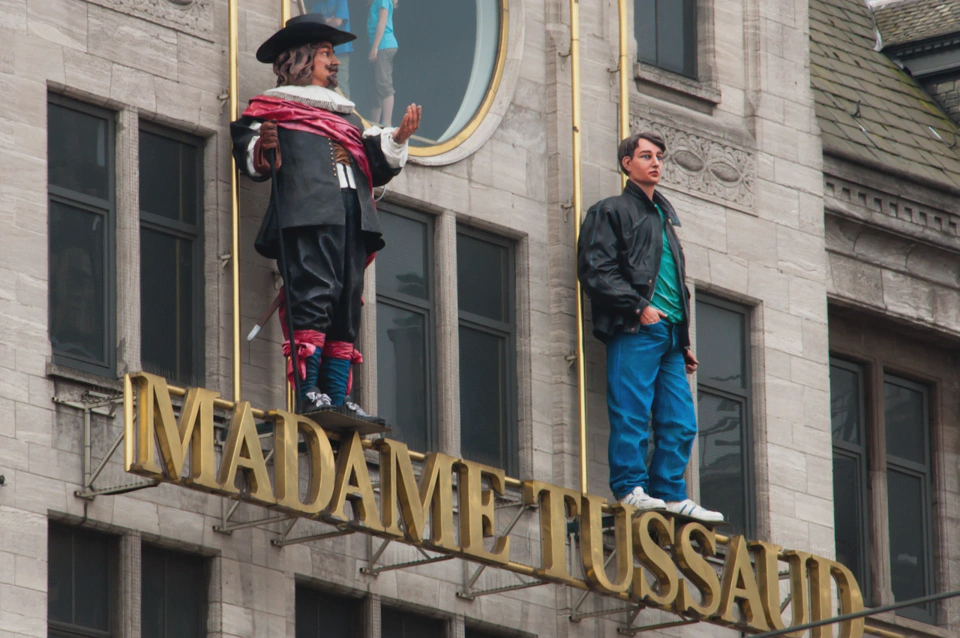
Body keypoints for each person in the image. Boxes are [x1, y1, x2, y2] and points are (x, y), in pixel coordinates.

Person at [231, 15, 422, 419]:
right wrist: (265, 147)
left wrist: (398, 139)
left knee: (346, 303)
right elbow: (249, 153)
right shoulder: (273, 108)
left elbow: (374, 160)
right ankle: (309, 390)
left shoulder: (348, 116)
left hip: (352, 216)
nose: (334, 62)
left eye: (332, 54)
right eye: (325, 54)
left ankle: (337, 394)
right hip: (308, 216)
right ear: (301, 59)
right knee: (312, 298)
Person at [577, 132, 723, 523]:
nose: (656, 162)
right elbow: (595, 271)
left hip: (670, 335)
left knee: (681, 421)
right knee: (631, 411)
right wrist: (640, 307)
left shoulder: (663, 217)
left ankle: (670, 493)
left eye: (659, 156)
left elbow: (674, 284)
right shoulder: (611, 210)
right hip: (635, 328)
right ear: (626, 163)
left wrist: (683, 338)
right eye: (646, 155)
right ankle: (629, 488)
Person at [311, 0, 353, 98]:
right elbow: (314, 26)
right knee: (324, 84)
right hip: (323, 53)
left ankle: (344, 111)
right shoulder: (318, 5)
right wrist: (330, 20)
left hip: (341, 50)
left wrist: (323, 22)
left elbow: (338, 22)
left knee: (341, 86)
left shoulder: (341, 1)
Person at [367, 0, 399, 126]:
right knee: (377, 86)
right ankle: (374, 123)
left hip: (384, 45)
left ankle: (387, 123)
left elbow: (382, 22)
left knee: (384, 84)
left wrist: (375, 46)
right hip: (381, 46)